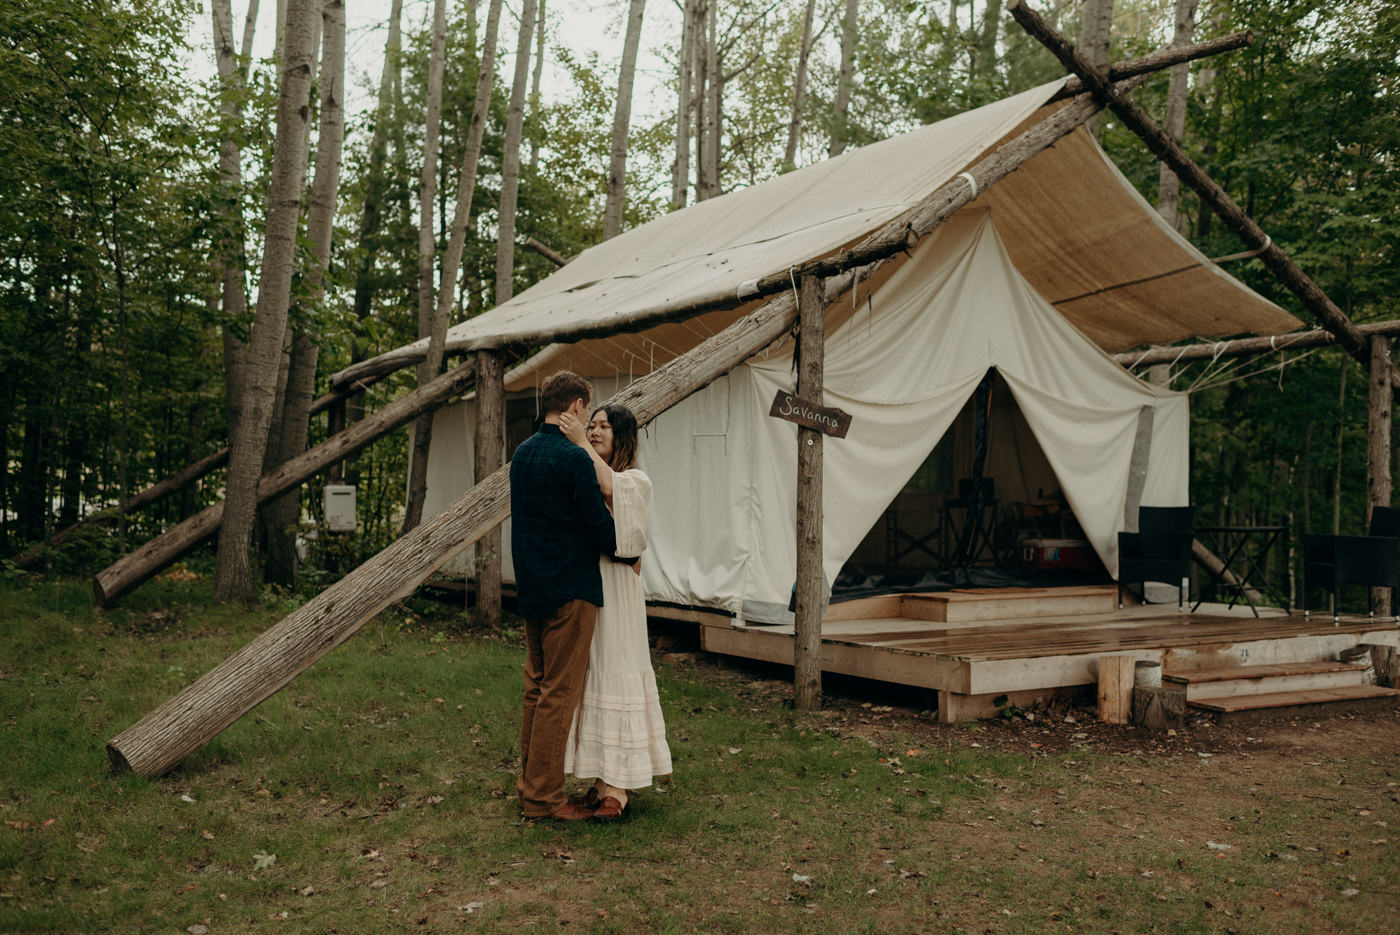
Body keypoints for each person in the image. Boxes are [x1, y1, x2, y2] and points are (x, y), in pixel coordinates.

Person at [510, 372, 618, 821]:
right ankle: (544, 799)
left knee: (536, 690)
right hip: (571, 589)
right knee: (558, 693)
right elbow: (602, 529)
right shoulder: (575, 458)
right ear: (575, 406)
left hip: (532, 587)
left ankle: (529, 786)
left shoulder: (522, 453)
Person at [557, 402, 673, 820]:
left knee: (618, 666)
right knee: (591, 672)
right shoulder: (581, 475)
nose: (593, 431)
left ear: (622, 436)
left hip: (619, 589)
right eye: (591, 426)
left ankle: (620, 787)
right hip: (588, 585)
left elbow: (611, 489)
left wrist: (577, 443)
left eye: (604, 426)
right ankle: (602, 780)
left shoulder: (634, 480)